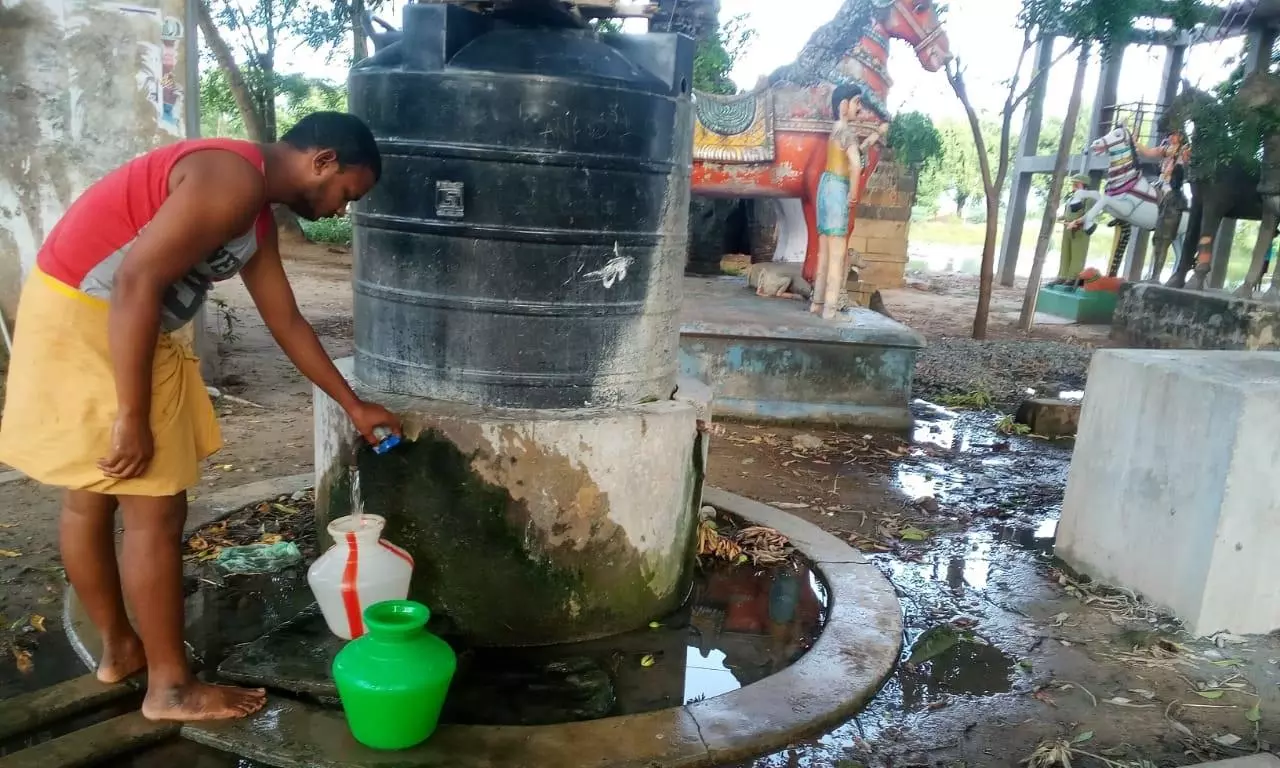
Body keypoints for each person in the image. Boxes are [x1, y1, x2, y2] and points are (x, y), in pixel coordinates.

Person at [0, 112, 403, 722]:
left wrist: (352, 405)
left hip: (70, 309)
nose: (339, 210)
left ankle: (120, 652)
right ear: (322, 161)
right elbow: (137, 280)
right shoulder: (232, 180)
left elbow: (285, 320)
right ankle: (171, 689)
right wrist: (133, 413)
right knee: (154, 515)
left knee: (89, 495)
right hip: (101, 325)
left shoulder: (253, 209)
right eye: (347, 193)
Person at [811, 82, 888, 319]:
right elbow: (855, 165)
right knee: (838, 254)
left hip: (826, 188)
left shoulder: (836, 131)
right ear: (844, 106)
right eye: (857, 102)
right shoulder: (847, 133)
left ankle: (817, 302)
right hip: (838, 190)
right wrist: (854, 195)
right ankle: (830, 308)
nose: (860, 108)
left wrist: (875, 135)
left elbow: (855, 152)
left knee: (824, 252)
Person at [1136, 123, 1190, 279]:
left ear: (1180, 136)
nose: (1171, 137)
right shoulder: (1166, 148)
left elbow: (1187, 164)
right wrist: (1135, 142)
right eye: (1170, 134)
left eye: (1175, 135)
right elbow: (1148, 152)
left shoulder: (1185, 150)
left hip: (1173, 185)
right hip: (1162, 181)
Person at [1055, 174, 1092, 283]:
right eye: (1073, 183)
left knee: (1077, 255)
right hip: (1067, 228)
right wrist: (1061, 217)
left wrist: (1077, 222)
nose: (1074, 186)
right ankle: (1062, 276)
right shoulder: (1071, 198)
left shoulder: (1088, 199)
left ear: (1084, 185)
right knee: (1065, 253)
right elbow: (1069, 212)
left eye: (1077, 183)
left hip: (1080, 231)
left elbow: (1089, 214)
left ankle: (1073, 278)